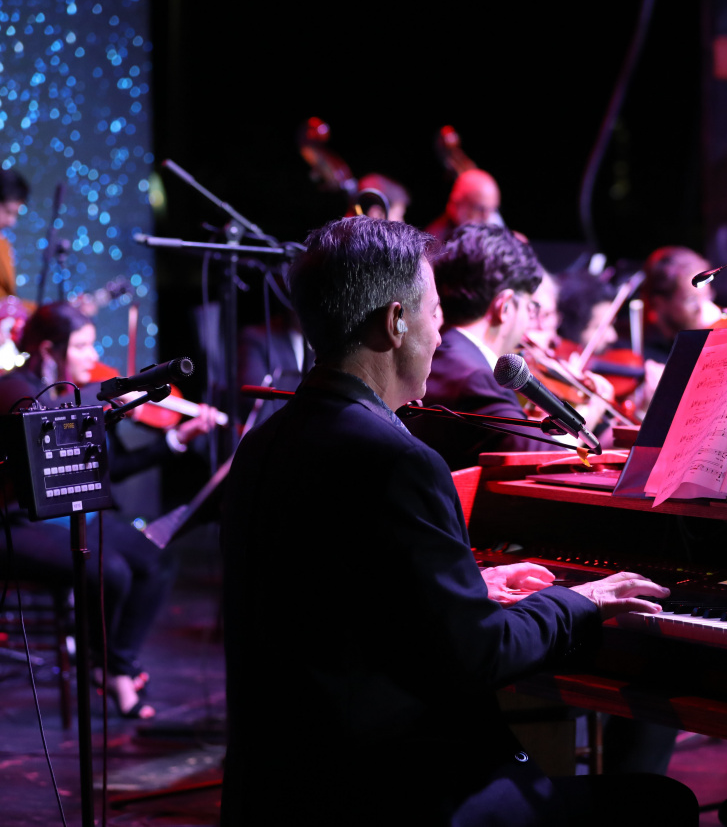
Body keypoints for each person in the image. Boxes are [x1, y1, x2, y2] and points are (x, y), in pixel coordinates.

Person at [220, 215, 695, 826]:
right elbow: (478, 655)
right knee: (663, 805)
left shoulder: (263, 445)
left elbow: (342, 599)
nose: (442, 333)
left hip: (281, 790)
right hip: (392, 795)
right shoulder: (399, 461)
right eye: (436, 313)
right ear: (396, 322)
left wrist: (473, 585)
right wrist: (581, 600)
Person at [0, 303, 218, 718]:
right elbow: (39, 446)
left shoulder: (72, 392)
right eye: (82, 346)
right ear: (48, 350)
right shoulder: (16, 388)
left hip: (66, 513)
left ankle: (115, 664)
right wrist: (94, 407)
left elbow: (108, 469)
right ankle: (105, 666)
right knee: (111, 571)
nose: (94, 355)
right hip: (17, 520)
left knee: (156, 559)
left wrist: (176, 440)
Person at [408, 222, 559, 471]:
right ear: (504, 306)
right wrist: (589, 418)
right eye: (529, 307)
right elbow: (547, 458)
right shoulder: (477, 378)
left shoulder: (436, 356)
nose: (528, 322)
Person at [641, 246, 720, 365]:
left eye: (707, 296)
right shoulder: (644, 353)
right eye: (692, 300)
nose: (706, 309)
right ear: (660, 303)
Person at [426, 168, 503, 242]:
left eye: (493, 210)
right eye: (480, 209)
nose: (487, 217)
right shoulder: (434, 242)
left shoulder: (492, 228)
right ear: (457, 204)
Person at [0, 169, 28, 298]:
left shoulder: (4, 245)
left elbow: (9, 301)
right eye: (8, 212)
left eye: (15, 214)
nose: (12, 222)